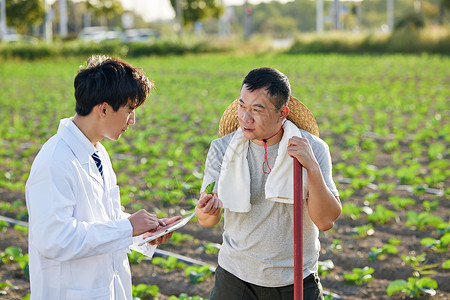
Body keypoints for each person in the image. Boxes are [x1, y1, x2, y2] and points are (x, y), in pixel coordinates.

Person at [25, 55, 180, 300]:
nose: (133, 120)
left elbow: (102, 220)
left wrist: (144, 232)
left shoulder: (97, 151)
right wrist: (126, 227)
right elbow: (55, 239)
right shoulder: (55, 161)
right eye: (130, 110)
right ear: (104, 109)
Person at [195, 67, 341, 300]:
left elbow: (325, 221)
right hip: (235, 277)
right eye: (242, 106)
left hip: (295, 280)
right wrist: (205, 210)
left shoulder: (312, 148)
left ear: (282, 113)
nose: (245, 118)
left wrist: (311, 167)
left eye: (257, 109)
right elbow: (207, 220)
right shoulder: (222, 149)